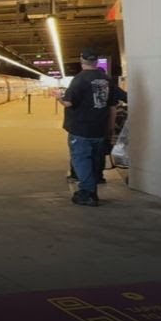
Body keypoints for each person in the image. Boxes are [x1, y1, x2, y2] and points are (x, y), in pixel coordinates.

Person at [56, 48, 118, 206]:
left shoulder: (79, 79)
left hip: (80, 129)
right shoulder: (106, 79)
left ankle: (88, 193)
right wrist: (110, 130)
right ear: (96, 61)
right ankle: (94, 184)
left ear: (81, 60)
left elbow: (68, 102)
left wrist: (59, 99)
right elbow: (113, 107)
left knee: (81, 159)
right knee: (96, 160)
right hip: (100, 128)